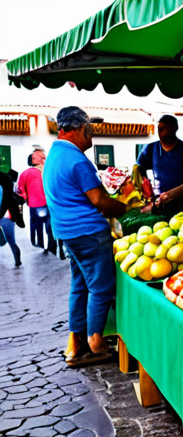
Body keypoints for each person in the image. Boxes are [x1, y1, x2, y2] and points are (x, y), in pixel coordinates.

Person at [43, 106, 129, 367]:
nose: (91, 139)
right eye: (90, 131)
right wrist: (127, 207)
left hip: (68, 234)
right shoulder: (77, 160)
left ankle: (76, 343)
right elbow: (99, 201)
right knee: (101, 288)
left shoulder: (54, 155)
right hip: (89, 233)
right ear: (80, 128)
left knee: (80, 286)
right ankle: (96, 343)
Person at [137, 115, 183, 214]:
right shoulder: (150, 148)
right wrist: (147, 192)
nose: (159, 131)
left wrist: (171, 194)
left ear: (174, 129)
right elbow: (138, 170)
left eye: (163, 128)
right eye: (158, 128)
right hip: (160, 206)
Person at [17, 148, 56, 255]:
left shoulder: (25, 173)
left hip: (34, 205)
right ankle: (52, 247)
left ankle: (39, 245)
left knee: (36, 227)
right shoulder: (50, 172)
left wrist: (26, 199)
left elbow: (20, 190)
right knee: (50, 227)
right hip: (50, 205)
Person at [0, 172, 23, 267]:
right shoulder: (5, 180)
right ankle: (17, 260)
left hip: (5, 215)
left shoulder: (4, 180)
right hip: (6, 215)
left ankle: (17, 259)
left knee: (10, 240)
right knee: (11, 240)